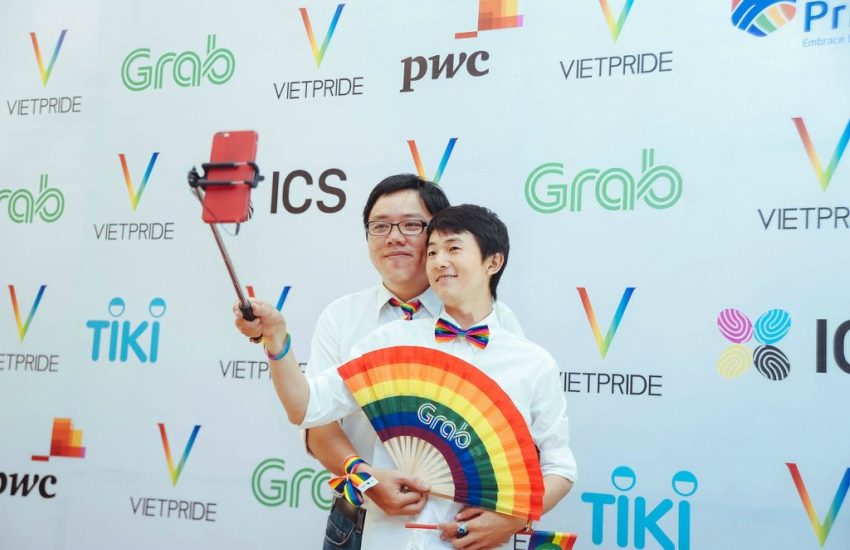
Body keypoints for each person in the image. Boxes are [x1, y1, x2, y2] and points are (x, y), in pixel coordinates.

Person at [236, 204, 576, 550]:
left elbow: (559, 465)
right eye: (432, 252)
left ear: (493, 262)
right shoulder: (391, 341)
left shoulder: (532, 363)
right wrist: (276, 340)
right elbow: (305, 409)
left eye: (453, 248)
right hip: (385, 537)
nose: (439, 260)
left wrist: (516, 517)